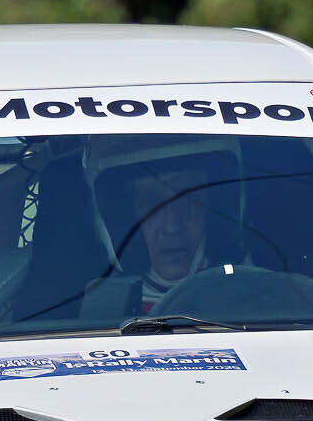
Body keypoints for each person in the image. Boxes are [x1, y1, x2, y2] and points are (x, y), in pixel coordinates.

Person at [80, 137, 249, 320]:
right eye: (152, 203)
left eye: (188, 201)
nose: (172, 227)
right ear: (125, 218)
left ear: (213, 210)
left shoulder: (254, 299)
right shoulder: (93, 317)